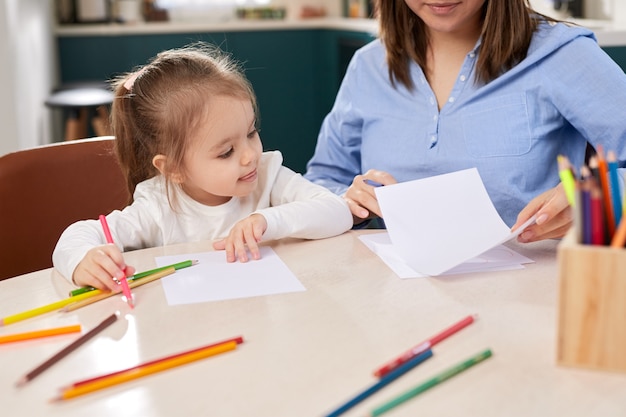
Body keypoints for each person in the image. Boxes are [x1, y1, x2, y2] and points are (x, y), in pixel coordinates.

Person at [304, 0, 626, 243]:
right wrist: (349, 201)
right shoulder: (369, 66)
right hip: (398, 300)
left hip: (528, 304)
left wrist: (595, 200)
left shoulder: (561, 53)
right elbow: (321, 180)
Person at [53, 43, 352, 291]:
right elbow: (77, 236)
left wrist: (267, 220)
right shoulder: (159, 205)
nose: (250, 155)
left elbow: (337, 211)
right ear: (173, 169)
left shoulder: (267, 174)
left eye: (251, 132)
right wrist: (83, 260)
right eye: (226, 152)